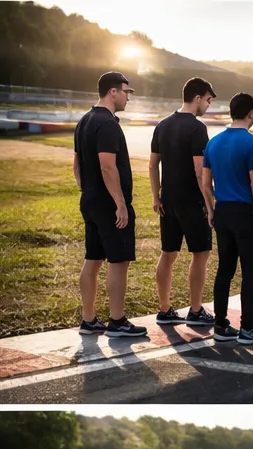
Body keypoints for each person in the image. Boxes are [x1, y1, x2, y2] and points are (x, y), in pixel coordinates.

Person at [73, 71, 147, 341]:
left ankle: (89, 319)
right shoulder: (107, 124)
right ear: (113, 92)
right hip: (108, 203)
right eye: (127, 92)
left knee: (92, 259)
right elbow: (107, 165)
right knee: (119, 261)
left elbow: (77, 165)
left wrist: (86, 191)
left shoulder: (84, 121)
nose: (129, 97)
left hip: (90, 200)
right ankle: (117, 321)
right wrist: (120, 203)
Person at [201, 92, 253, 345]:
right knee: (250, 272)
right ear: (251, 113)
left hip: (222, 213)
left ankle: (220, 326)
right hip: (244, 214)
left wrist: (210, 209)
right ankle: (247, 329)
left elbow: (205, 182)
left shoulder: (213, 142)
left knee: (225, 270)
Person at [150, 78, 217, 329]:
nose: (209, 105)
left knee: (168, 253)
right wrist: (210, 204)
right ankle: (196, 310)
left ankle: (165, 309)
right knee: (201, 253)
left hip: (168, 199)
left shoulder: (162, 124)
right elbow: (200, 171)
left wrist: (156, 196)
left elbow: (152, 163)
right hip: (191, 201)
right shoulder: (197, 128)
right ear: (197, 98)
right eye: (208, 100)